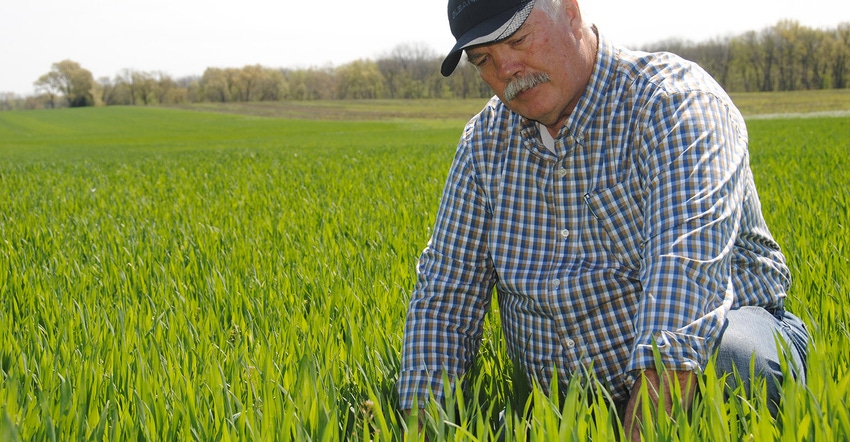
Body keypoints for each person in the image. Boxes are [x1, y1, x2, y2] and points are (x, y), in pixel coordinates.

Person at [397, 0, 809, 437]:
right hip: (567, 405)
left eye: (518, 39)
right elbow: (445, 300)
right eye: (484, 59)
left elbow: (685, 274)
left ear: (570, 11)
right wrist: (423, 425)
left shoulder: (673, 105)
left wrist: (648, 419)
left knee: (734, 362)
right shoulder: (483, 145)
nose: (506, 69)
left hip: (704, 352)